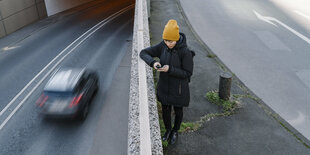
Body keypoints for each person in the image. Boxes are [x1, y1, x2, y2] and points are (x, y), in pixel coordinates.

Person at [140, 19, 194, 144]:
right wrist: (153, 63)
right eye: (165, 40)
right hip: (164, 87)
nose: (168, 43)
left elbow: (187, 73)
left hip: (179, 89)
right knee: (165, 110)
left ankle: (175, 131)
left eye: (170, 41)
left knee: (178, 111)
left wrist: (170, 69)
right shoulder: (163, 46)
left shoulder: (185, 52)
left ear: (176, 38)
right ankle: (168, 130)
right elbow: (144, 53)